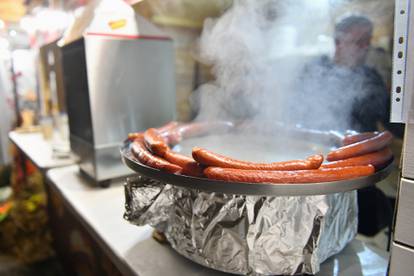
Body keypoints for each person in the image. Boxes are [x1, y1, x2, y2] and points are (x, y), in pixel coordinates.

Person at [295, 15, 397, 236]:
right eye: (358, 41)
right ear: (338, 42)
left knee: (363, 229)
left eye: (367, 41)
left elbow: (393, 125)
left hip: (357, 174)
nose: (364, 48)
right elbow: (293, 117)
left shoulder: (371, 78)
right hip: (316, 171)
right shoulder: (313, 70)